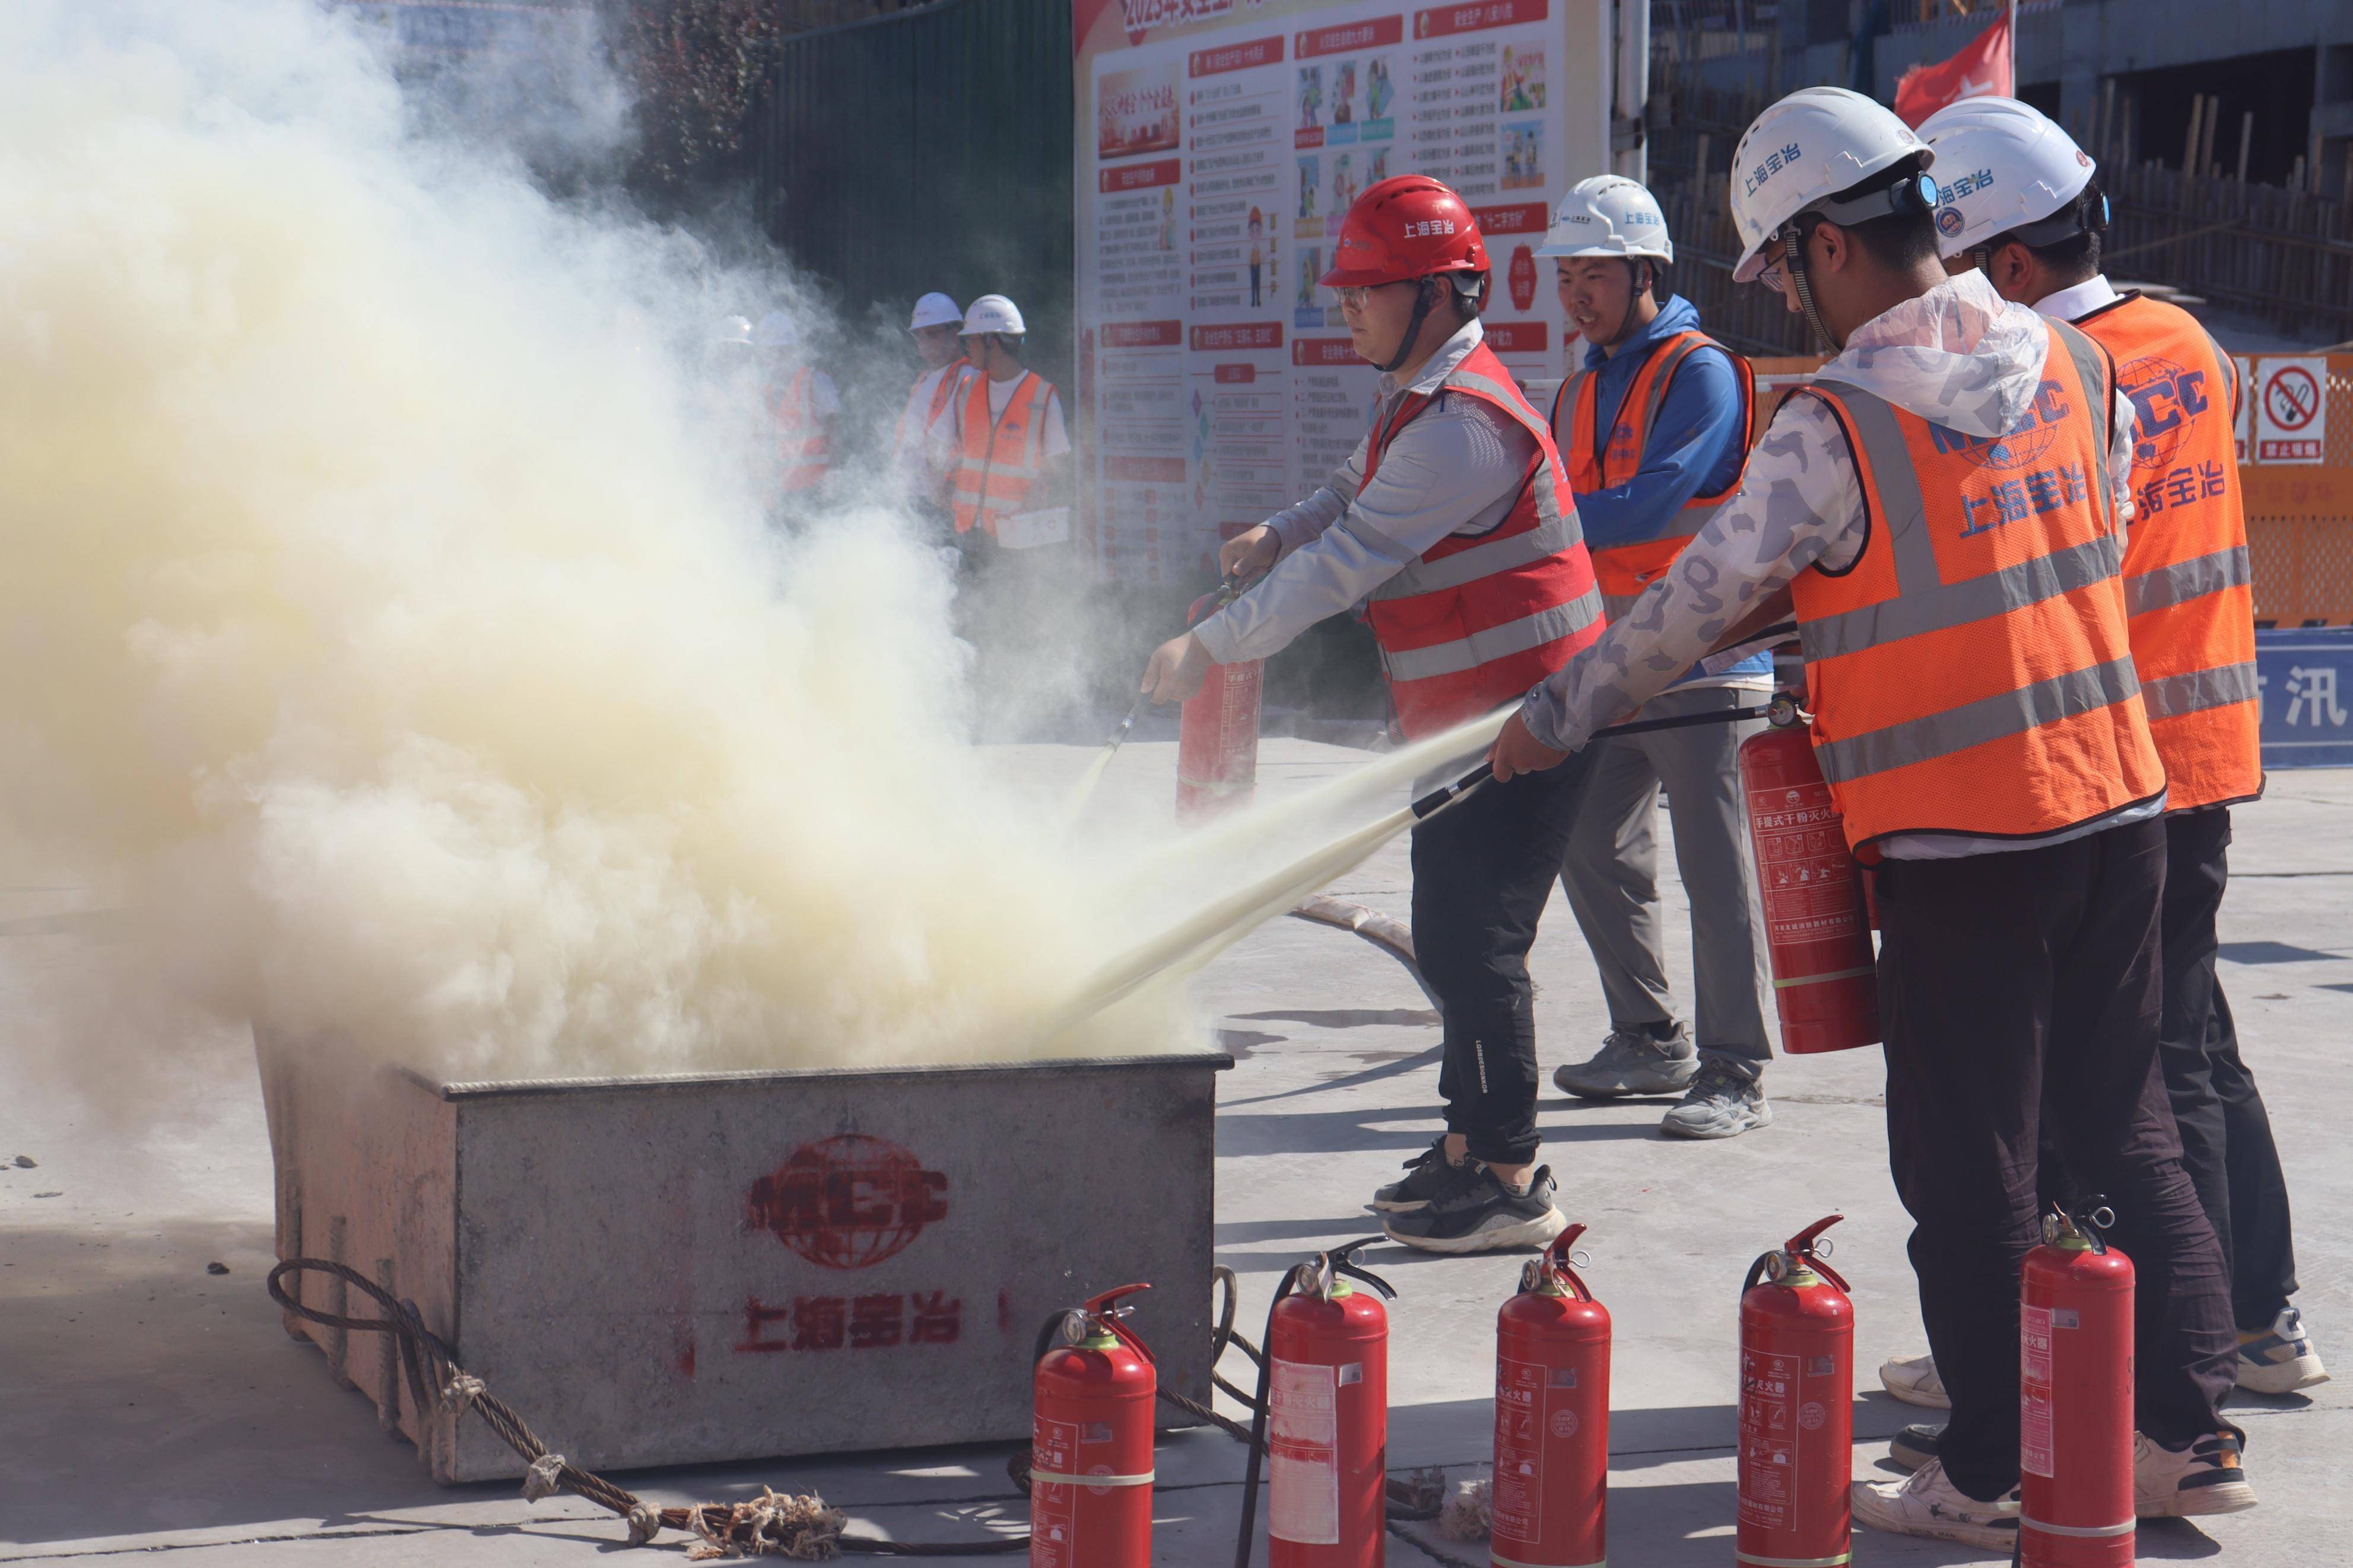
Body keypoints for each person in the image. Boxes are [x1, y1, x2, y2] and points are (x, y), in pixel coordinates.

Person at [1485, 87, 2253, 1543]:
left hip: (1964, 849)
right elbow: (2049, 540)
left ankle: (1982, 1464)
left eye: (1781, 263)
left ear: (1832, 243)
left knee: (1964, 1162)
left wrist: (1557, 713)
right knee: (2124, 1119)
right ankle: (2185, 1428)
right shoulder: (2076, 363)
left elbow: (1692, 603)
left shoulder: (1832, 422)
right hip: (2117, 808)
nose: (1785, 291)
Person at [1863, 98, 2325, 1442]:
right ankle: (2257, 1315)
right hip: (2205, 745)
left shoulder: (2051, 378)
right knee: (2197, 1045)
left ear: (2003, 266)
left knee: (2121, 1079)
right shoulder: (2180, 337)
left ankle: (2135, 1354)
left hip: (2107, 765)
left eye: (1956, 268)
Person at [1139, 176, 1606, 1254]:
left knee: (1475, 938)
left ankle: (1506, 1175)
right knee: (1447, 923)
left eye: (1369, 289)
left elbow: (1341, 569)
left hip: (1534, 720)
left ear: (1440, 294)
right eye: (1345, 288)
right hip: (1471, 720)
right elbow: (1344, 498)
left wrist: (1208, 645)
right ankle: (1465, 1143)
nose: (1346, 307)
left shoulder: (1464, 429)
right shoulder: (1420, 400)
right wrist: (1276, 530)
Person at [1534, 174, 1777, 1138]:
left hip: (1708, 661)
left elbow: (1642, 503)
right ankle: (1648, 1037)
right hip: (1611, 659)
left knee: (1718, 875)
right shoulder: (1576, 387)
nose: (1577, 293)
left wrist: (1518, 527)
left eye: (1594, 272)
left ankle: (1735, 1067)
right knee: (1595, 848)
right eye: (1567, 275)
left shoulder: (1700, 371)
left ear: (1645, 268)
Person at [893, 292, 976, 520]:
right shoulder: (924, 380)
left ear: (956, 332)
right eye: (919, 335)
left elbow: (971, 443)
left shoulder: (968, 378)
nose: (924, 342)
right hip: (915, 497)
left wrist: (948, 489)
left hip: (943, 501)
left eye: (931, 334)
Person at [752, 309, 838, 502]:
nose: (775, 357)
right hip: (775, 493)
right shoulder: (762, 390)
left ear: (792, 350)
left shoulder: (815, 382)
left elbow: (835, 433)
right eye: (769, 351)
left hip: (812, 491)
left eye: (781, 350)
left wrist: (834, 473)